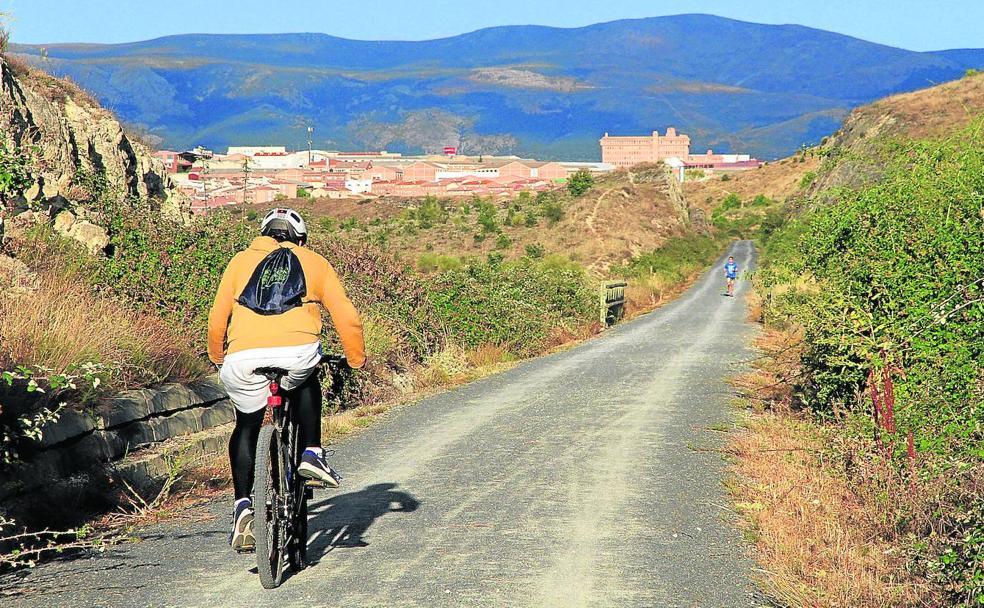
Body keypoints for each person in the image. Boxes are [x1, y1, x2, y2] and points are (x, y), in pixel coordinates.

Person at [207, 208, 366, 552]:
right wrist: (356, 359)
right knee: (306, 378)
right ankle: (311, 452)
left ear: (263, 234)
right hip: (296, 351)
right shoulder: (314, 261)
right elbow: (347, 317)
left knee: (246, 426)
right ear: (302, 240)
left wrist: (219, 357)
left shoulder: (238, 262)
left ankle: (242, 509)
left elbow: (217, 317)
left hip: (243, 359)